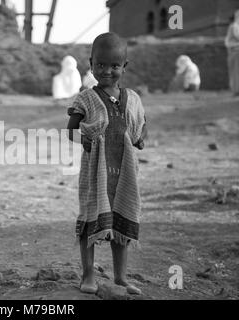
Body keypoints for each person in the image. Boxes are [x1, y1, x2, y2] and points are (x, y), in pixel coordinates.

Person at [67, 32, 147, 295]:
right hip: (95, 173)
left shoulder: (133, 98)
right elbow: (71, 130)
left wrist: (141, 138)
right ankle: (88, 274)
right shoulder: (86, 99)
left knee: (121, 220)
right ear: (91, 64)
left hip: (124, 174)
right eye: (100, 65)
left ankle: (121, 277)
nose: (107, 71)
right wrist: (85, 140)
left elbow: (140, 128)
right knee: (91, 219)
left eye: (114, 66)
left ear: (125, 66)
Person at [225, 9, 239, 96]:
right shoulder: (234, 26)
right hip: (235, 52)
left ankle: (236, 89)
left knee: (235, 71)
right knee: (235, 71)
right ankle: (236, 90)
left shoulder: (234, 26)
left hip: (234, 52)